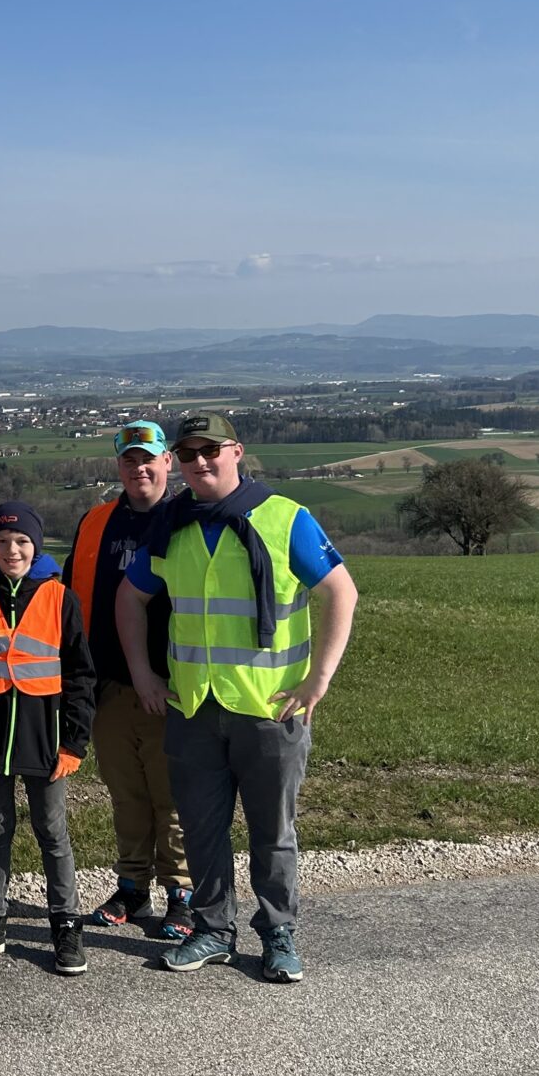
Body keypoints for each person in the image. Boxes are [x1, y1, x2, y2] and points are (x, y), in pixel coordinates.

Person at [116, 412, 358, 984]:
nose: (200, 462)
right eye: (189, 453)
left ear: (237, 452)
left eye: (211, 450)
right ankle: (212, 929)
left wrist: (319, 679)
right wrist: (143, 675)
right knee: (202, 830)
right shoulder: (173, 523)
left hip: (270, 708)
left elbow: (341, 592)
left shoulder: (284, 518)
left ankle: (277, 932)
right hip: (194, 707)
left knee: (273, 833)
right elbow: (131, 598)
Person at [0, 501, 96, 975]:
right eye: (2, 541)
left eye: (22, 542)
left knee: (52, 831)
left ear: (37, 546)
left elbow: (80, 677)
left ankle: (66, 924)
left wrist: (74, 743)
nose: (12, 550)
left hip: (44, 740)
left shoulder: (59, 597)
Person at [67, 420, 195, 941]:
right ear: (118, 466)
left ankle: (182, 892)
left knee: (174, 796)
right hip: (108, 684)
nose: (139, 468)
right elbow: (69, 596)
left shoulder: (189, 518)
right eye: (129, 460)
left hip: (174, 684)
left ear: (167, 462)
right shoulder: (96, 520)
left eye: (148, 458)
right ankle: (132, 885)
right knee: (126, 793)